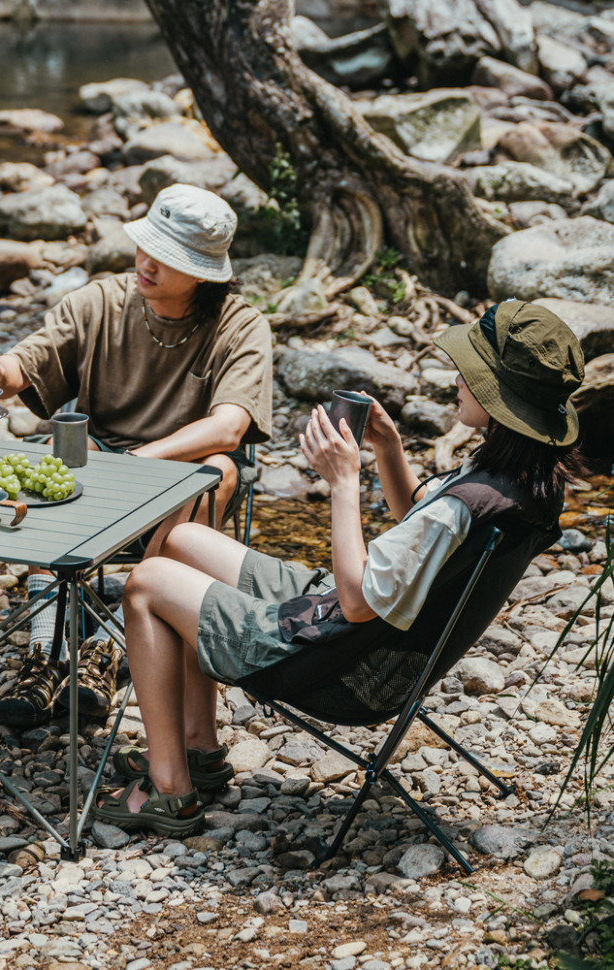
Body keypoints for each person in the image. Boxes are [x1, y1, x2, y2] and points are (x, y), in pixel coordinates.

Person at [92, 300, 585, 836]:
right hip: (374, 644)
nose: (457, 380)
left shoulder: (465, 506)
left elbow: (356, 600)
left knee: (146, 583)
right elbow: (420, 524)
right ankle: (198, 746)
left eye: (471, 373)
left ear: (500, 399)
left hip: (341, 667)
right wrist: (388, 447)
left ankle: (169, 788)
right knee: (183, 541)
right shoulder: (522, 483)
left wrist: (343, 482)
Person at [0, 183, 273, 729]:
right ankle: (45, 651)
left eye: (168, 257)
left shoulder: (240, 325)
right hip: (98, 463)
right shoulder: (101, 301)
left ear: (203, 274)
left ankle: (109, 644)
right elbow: (25, 363)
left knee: (217, 470)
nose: (147, 263)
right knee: (51, 454)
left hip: (179, 479)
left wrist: (141, 461)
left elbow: (229, 426)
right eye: (147, 246)